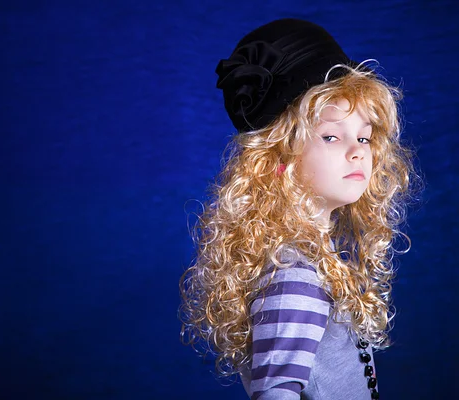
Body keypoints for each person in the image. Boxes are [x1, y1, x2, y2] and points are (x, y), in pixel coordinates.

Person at [179, 18, 419, 400]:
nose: (358, 149)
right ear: (280, 158)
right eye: (330, 136)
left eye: (363, 136)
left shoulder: (311, 260)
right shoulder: (296, 278)